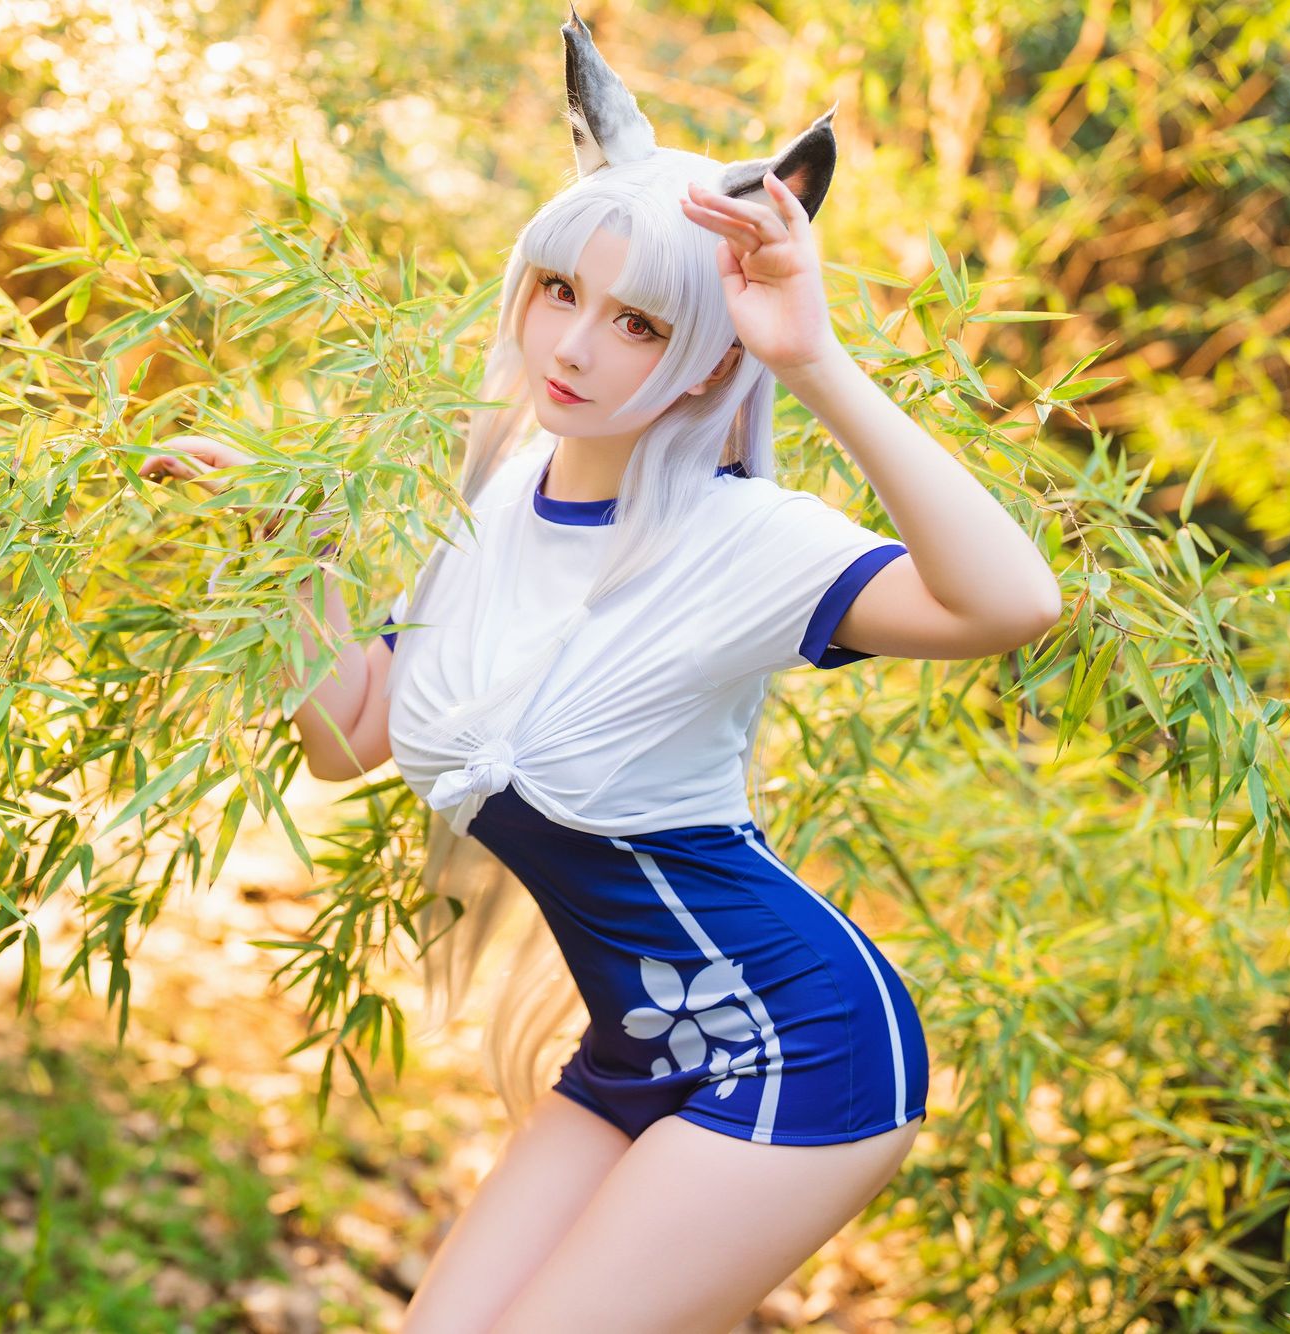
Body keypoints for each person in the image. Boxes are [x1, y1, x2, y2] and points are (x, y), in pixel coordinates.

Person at [142, 7, 1060, 1328]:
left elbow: (1015, 601)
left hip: (797, 1047)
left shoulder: (745, 539)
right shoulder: (494, 498)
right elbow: (347, 739)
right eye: (561, 291)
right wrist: (287, 545)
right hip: (634, 1049)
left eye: (638, 323)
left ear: (710, 361)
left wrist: (812, 358)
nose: (573, 345)